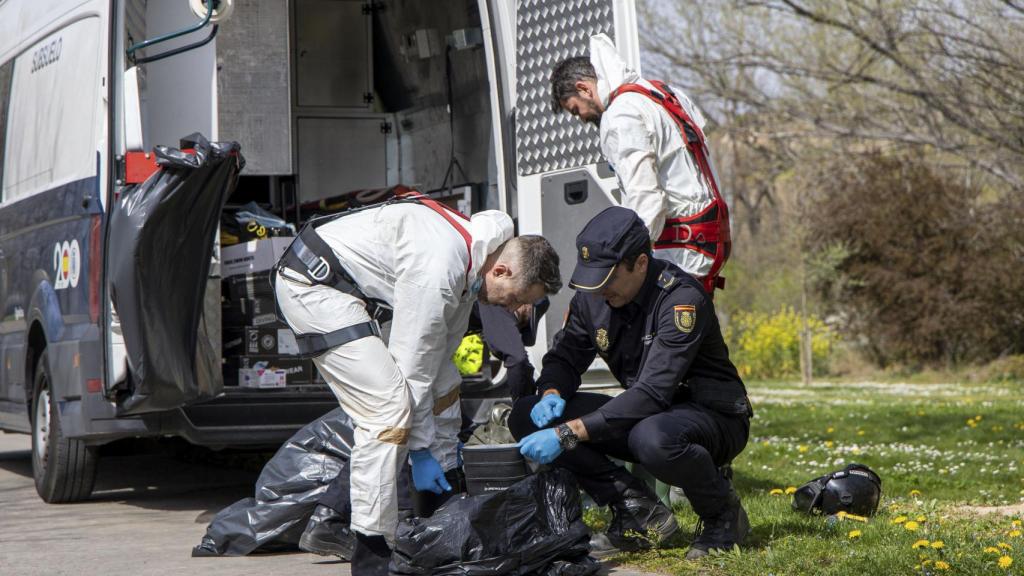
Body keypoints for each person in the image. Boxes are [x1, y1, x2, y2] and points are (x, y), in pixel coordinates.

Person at [273, 193, 561, 574]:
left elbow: (439, 366)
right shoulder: (440, 270)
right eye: (516, 300)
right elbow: (413, 371)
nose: (510, 309)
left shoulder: (476, 260)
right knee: (388, 411)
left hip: (352, 290)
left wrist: (443, 457)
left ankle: (440, 516)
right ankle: (372, 552)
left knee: (446, 386)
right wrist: (421, 451)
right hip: (313, 288)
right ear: (502, 272)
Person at [510, 207, 752, 559]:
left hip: (711, 416)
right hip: (648, 411)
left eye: (607, 278)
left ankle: (723, 516)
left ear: (640, 263)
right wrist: (551, 392)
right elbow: (565, 357)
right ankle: (637, 510)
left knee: (652, 438)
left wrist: (567, 433)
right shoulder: (593, 298)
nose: (599, 289)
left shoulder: (681, 300)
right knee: (527, 415)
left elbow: (654, 392)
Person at [550, 34, 731, 294]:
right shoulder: (663, 93)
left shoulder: (620, 115)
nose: (582, 119)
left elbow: (645, 197)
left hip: (681, 252)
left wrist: (624, 262)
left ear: (584, 89)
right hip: (708, 241)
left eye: (576, 110)